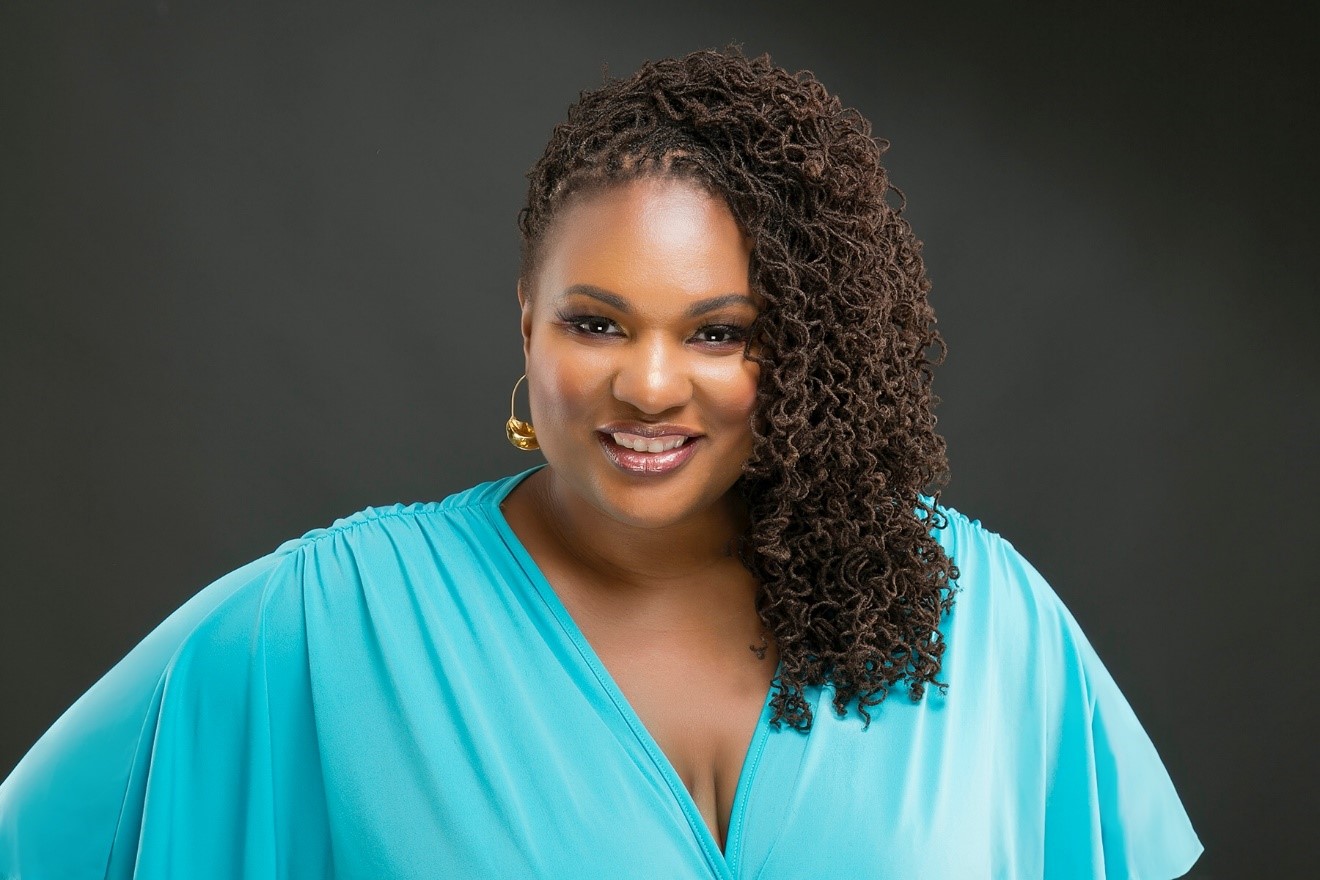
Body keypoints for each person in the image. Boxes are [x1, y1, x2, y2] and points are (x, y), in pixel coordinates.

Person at [0, 48, 1201, 879]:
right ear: (526, 320)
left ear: (802, 346)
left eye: (718, 332)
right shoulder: (332, 624)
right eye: (597, 323)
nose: (651, 384)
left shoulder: (979, 614)